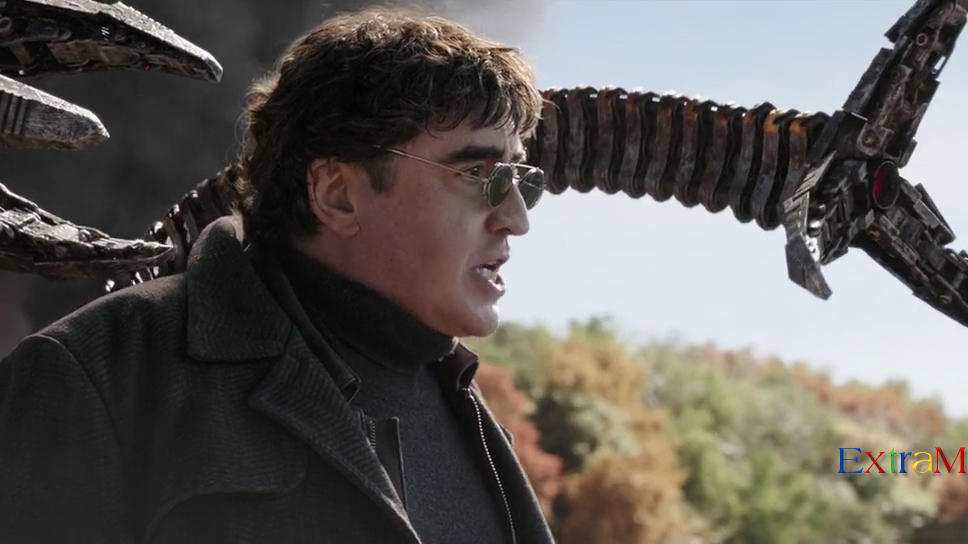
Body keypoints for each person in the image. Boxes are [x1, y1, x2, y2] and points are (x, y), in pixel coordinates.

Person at [0, 6, 554, 543]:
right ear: (337, 195)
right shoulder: (100, 377)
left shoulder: (468, 414)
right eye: (477, 173)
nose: (517, 219)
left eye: (519, 179)